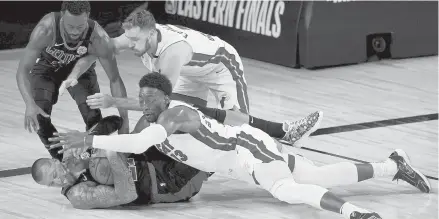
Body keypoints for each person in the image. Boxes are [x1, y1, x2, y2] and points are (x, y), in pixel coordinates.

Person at [50, 73, 431, 219]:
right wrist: (116, 103)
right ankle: (392, 165)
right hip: (237, 158)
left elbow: (138, 141)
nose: (144, 103)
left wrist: (89, 138)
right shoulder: (155, 108)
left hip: (246, 150)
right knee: (317, 174)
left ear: (165, 99)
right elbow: (141, 106)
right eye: (141, 98)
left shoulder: (171, 117)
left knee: (286, 190)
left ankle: (355, 214)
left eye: (150, 98)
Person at [72, 9, 320, 146]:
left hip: (220, 67)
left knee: (238, 129)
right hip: (188, 72)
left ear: (152, 35)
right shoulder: (136, 35)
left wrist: (113, 102)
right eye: (130, 38)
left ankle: (287, 132)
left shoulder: (171, 53)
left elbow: (157, 101)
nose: (132, 45)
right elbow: (103, 49)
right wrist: (70, 72)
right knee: (159, 121)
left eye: (136, 40)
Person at [15, 1, 129, 161]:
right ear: (62, 17)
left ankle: (89, 159)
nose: (75, 32)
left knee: (93, 119)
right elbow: (22, 70)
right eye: (70, 26)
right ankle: (62, 162)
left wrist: (126, 122)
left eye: (80, 27)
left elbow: (115, 79)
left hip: (81, 73)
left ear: (88, 17)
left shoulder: (99, 38)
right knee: (39, 116)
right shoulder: (46, 29)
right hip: (48, 68)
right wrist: (29, 104)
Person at [31, 115, 208, 209]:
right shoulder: (78, 195)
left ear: (55, 162)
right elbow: (127, 195)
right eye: (52, 184)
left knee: (157, 117)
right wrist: (110, 151)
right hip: (164, 183)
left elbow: (115, 121)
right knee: (212, 152)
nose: (58, 181)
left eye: (54, 175)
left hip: (147, 157)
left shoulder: (73, 153)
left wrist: (90, 137)